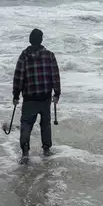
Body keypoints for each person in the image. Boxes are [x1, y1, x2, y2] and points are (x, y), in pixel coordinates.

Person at [12, 28, 61, 162]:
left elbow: (18, 77)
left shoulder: (24, 56)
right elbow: (55, 76)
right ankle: (46, 149)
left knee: (26, 124)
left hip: (29, 98)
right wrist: (57, 93)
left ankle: (25, 153)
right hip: (45, 97)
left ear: (30, 40)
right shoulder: (49, 55)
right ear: (41, 40)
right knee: (45, 124)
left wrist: (16, 95)